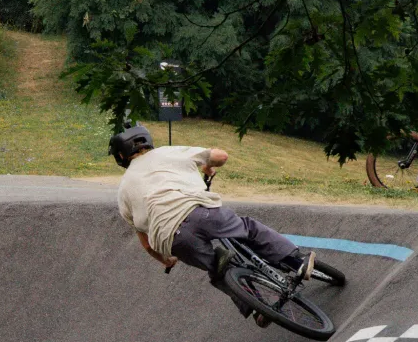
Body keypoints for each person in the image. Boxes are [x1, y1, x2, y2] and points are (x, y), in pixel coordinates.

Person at [111, 124, 314, 329]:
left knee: (218, 271)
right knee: (248, 228)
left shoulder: (123, 191)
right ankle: (296, 262)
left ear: (120, 155)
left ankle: (257, 308)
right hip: (199, 213)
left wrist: (166, 261)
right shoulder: (169, 153)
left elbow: (146, 245)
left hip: (174, 239)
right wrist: (208, 165)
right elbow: (221, 157)